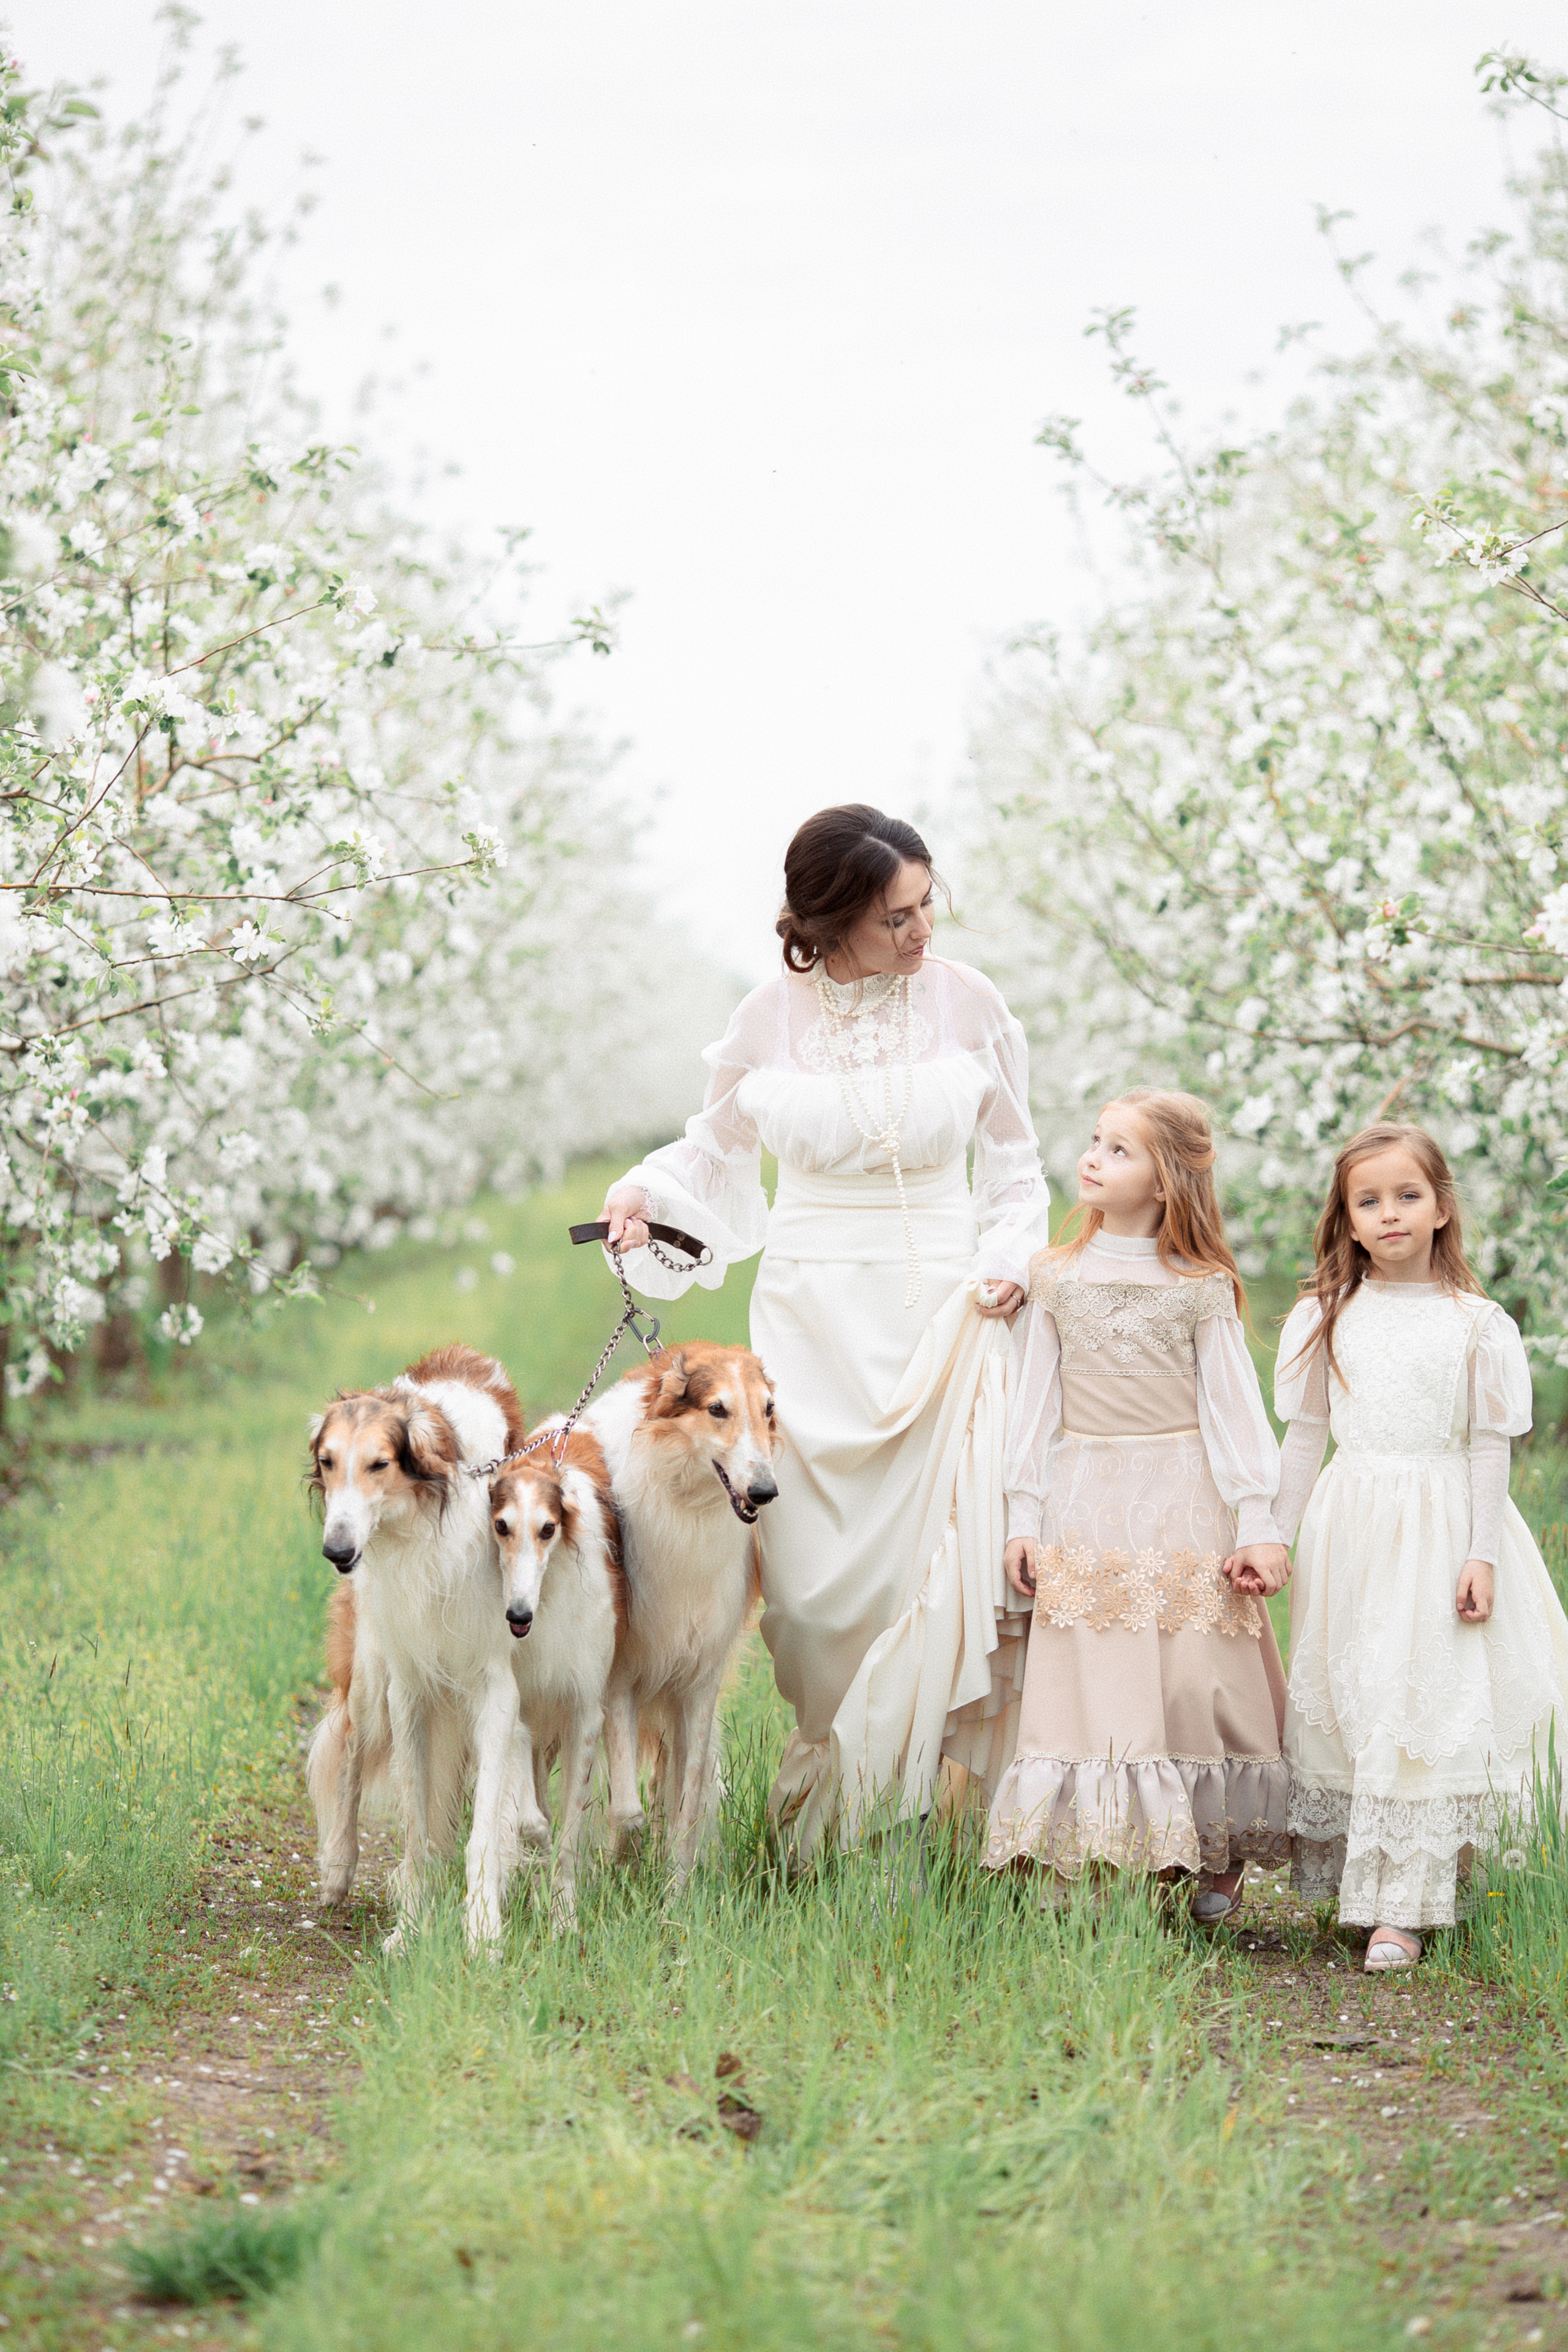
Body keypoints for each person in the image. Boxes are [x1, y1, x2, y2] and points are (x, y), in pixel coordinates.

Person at [600, 804, 1050, 1854]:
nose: (924, 931)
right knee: (805, 1598)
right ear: (833, 919)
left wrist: (1005, 1260)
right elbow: (708, 1150)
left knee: (928, 1573)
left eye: (929, 903)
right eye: (899, 915)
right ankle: (828, 1808)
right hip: (806, 1325)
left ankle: (919, 1822)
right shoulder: (769, 1015)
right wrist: (641, 1192)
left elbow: (1018, 1168)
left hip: (945, 1316)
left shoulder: (970, 1004)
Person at [984, 1090, 1291, 1921]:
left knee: (1196, 1678)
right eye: (1094, 1142)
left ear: (1166, 1183)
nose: (1093, 1158)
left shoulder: (1199, 1287)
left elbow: (1233, 1410)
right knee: (1099, 1679)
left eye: (1119, 1151)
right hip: (1086, 1500)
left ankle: (1212, 1853)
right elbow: (1034, 1410)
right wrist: (1022, 1514)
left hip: (1184, 1499)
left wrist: (1256, 1522)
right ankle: (1103, 1852)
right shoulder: (1055, 1278)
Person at [1272, 1121, 1568, 1971]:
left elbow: (1487, 1446)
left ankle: (1409, 1904)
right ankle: (1362, 1886)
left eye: (1408, 1196)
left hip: (1441, 1527)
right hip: (1355, 1526)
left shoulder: (1475, 1324)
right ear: (1348, 1218)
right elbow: (1304, 1440)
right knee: (1363, 1692)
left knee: (1430, 1697)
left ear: (1441, 1206)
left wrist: (1480, 1551)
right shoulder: (1325, 1315)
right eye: (1370, 1201)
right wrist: (1274, 1535)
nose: (1390, 1214)